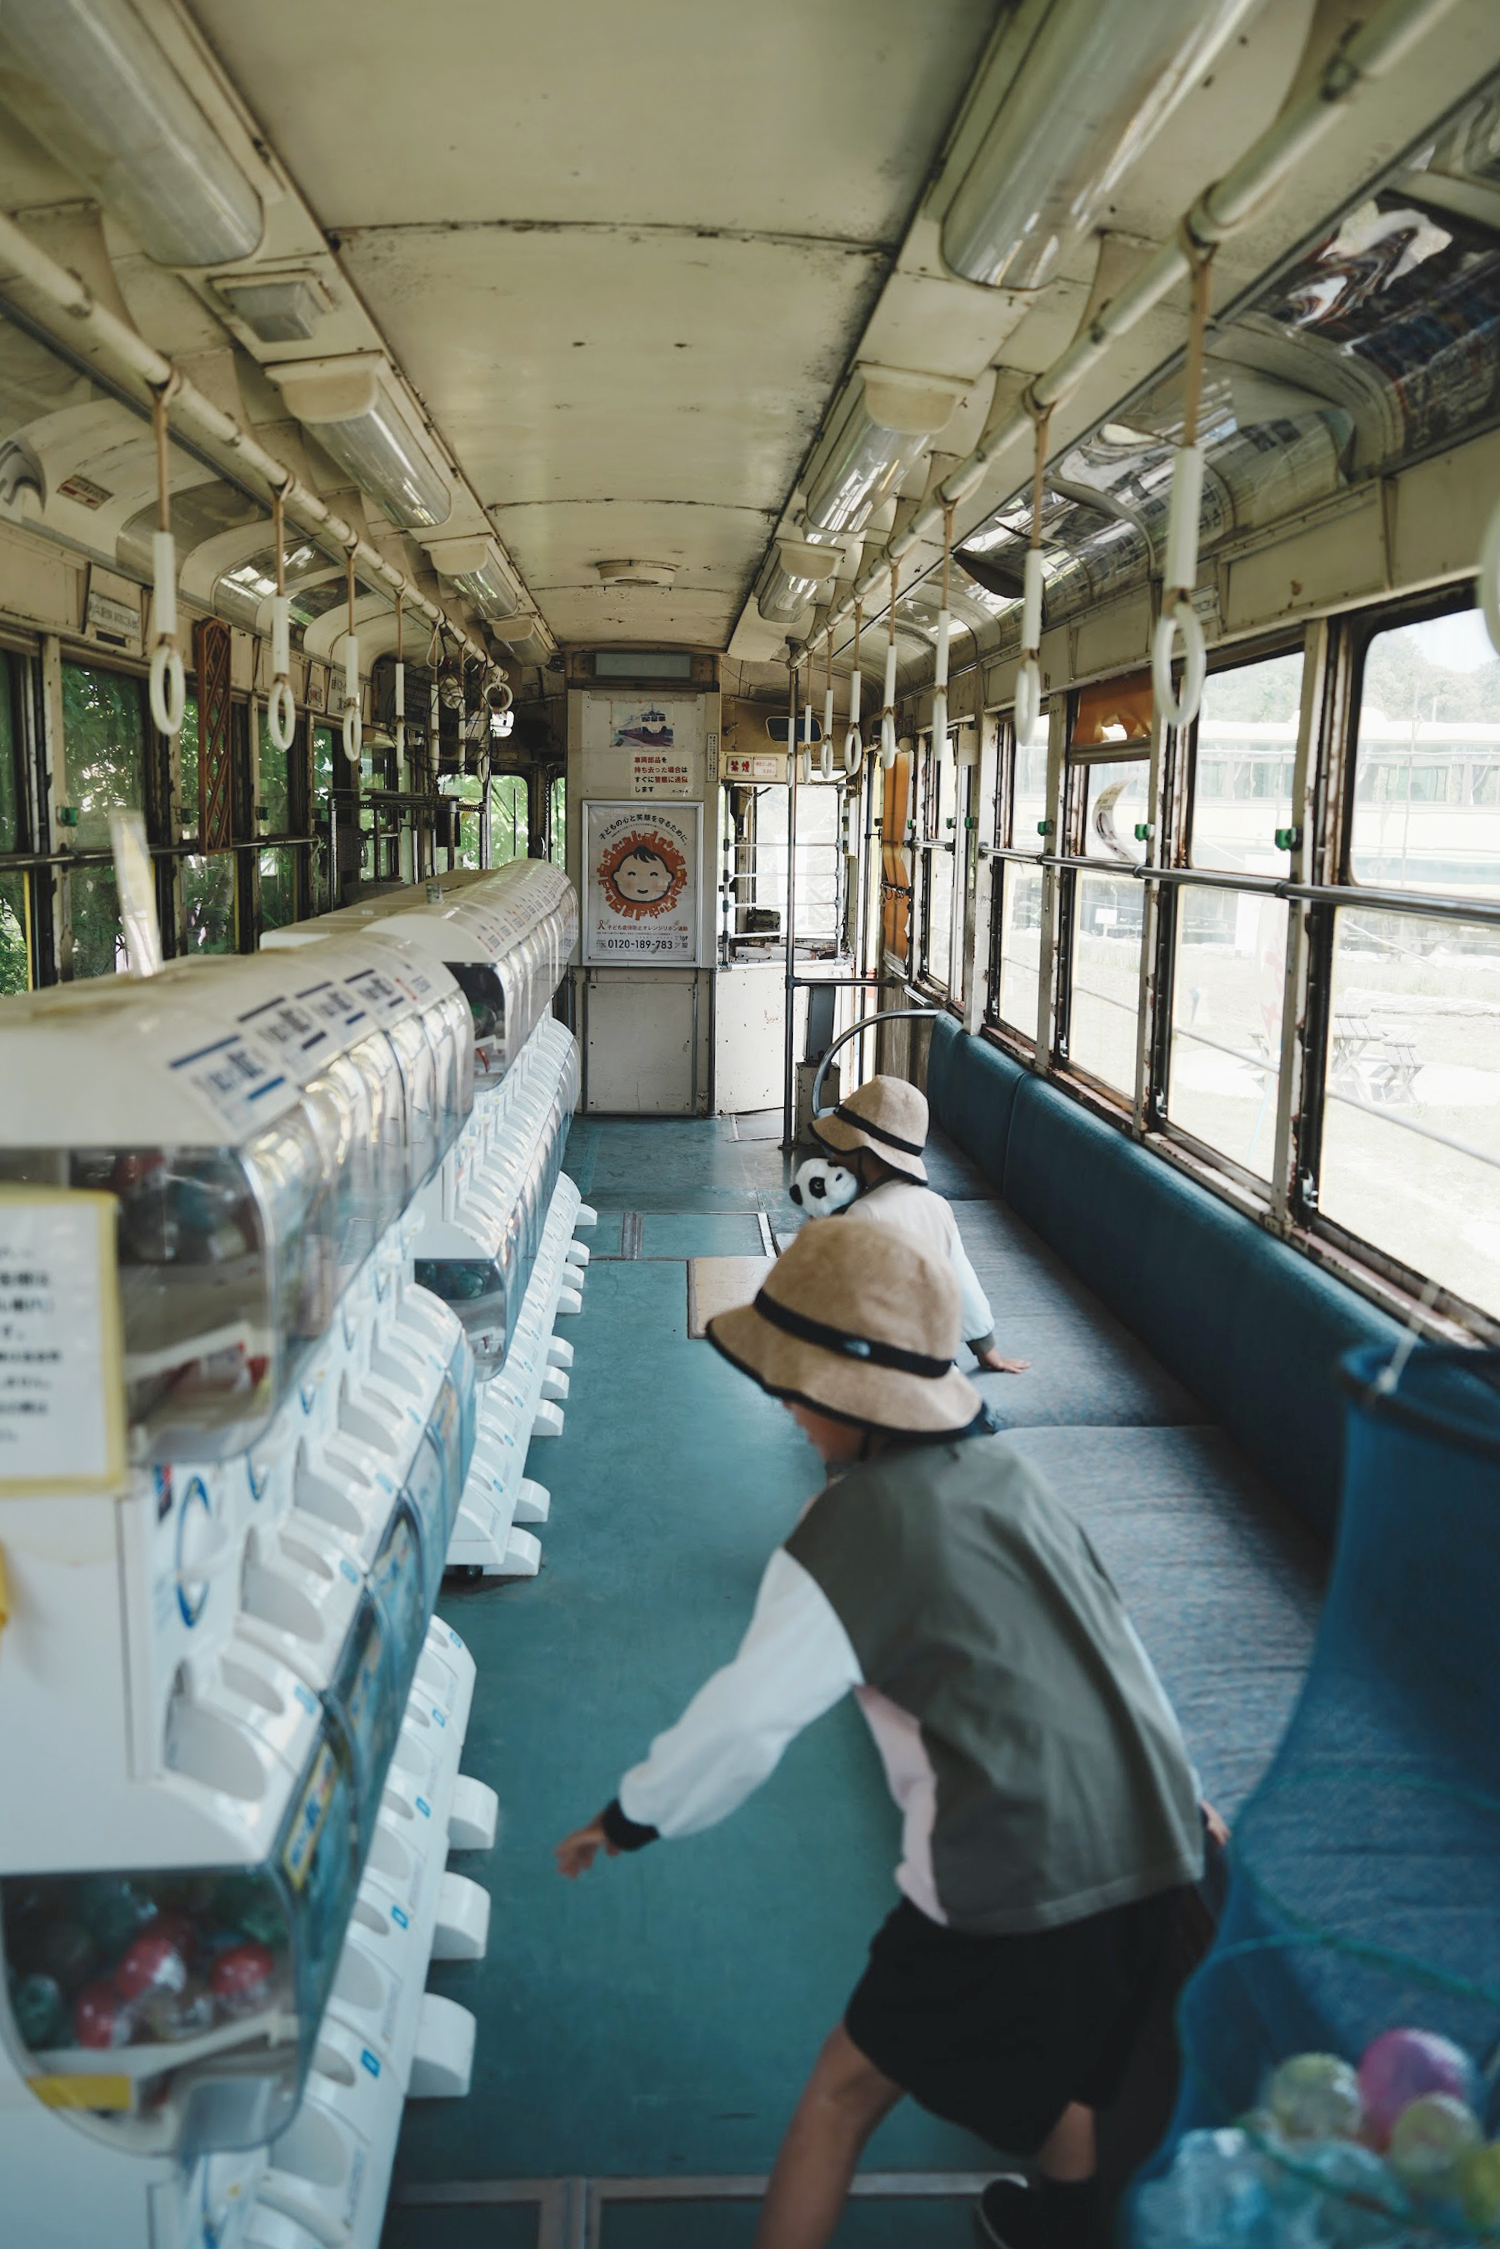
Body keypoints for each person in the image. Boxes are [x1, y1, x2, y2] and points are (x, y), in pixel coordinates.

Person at [556, 1221, 1207, 2249]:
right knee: (1076, 2065)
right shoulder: (1013, 1478)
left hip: (1018, 1869)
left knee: (839, 2096)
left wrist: (630, 1815)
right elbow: (1111, 1640)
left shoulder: (850, 1534)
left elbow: (743, 1719)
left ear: (855, 1396)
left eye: (794, 1380)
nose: (778, 1398)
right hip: (1159, 1838)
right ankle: (1066, 2226)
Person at [811, 1073, 1028, 1374]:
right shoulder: (936, 1204)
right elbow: (961, 1280)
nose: (833, 1156)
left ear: (864, 1152)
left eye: (840, 1146)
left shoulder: (864, 1214)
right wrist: (986, 1349)